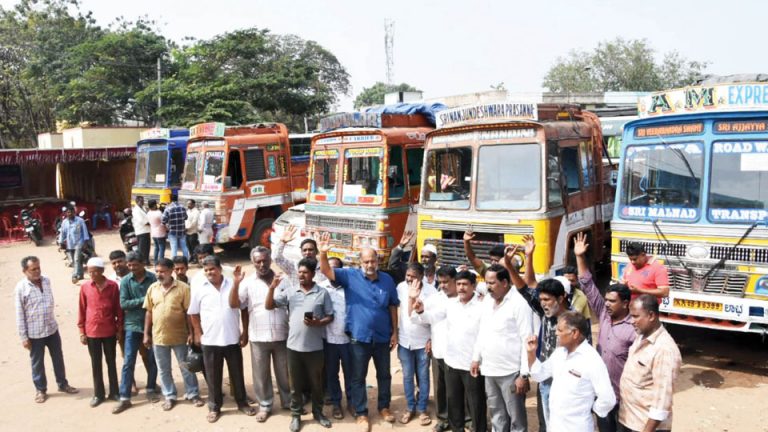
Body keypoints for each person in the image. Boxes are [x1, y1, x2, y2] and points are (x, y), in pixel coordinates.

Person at [318, 232, 399, 432]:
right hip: (358, 337)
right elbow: (327, 271)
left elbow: (392, 307)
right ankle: (362, 413)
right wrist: (322, 252)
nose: (370, 264)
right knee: (357, 377)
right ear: (360, 262)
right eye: (366, 261)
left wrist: (395, 332)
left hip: (382, 338)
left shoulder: (387, 280)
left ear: (377, 261)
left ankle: (384, 407)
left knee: (384, 375)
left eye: (373, 260)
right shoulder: (350, 276)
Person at [574, 232, 635, 432]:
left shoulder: (635, 329)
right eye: (606, 300)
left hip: (625, 399)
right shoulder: (603, 314)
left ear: (626, 303)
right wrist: (580, 256)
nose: (607, 304)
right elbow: (588, 285)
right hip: (602, 394)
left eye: (612, 301)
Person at [412, 270, 487, 432]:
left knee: (476, 404)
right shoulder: (450, 304)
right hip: (451, 363)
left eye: (465, 284)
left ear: (473, 286)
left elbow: (483, 336)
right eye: (459, 284)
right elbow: (432, 318)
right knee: (454, 404)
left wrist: (476, 359)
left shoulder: (482, 307)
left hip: (472, 364)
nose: (461, 288)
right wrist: (420, 311)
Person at [265, 258, 335, 432]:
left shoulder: (322, 293)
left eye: (305, 272)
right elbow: (269, 305)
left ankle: (318, 413)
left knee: (316, 383)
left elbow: (330, 316)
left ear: (312, 274)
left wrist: (319, 323)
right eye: (300, 272)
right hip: (293, 348)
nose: (301, 275)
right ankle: (296, 416)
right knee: (295, 385)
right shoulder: (290, 292)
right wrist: (272, 287)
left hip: (315, 348)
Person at [188, 256, 256, 423]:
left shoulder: (232, 284)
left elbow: (242, 308)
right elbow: (193, 313)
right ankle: (214, 407)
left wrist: (245, 331)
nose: (209, 272)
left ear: (219, 269)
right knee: (213, 376)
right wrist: (197, 332)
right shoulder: (200, 288)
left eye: (212, 269)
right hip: (210, 341)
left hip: (232, 339)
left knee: (237, 374)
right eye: (206, 270)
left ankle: (242, 402)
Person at [526, 311, 616, 432]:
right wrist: (531, 353)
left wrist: (589, 410)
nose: (556, 333)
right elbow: (539, 375)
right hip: (555, 426)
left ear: (574, 333)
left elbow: (607, 399)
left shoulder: (591, 360)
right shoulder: (559, 353)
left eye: (560, 330)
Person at [230, 247, 291, 422]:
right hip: (258, 335)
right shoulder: (247, 283)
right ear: (253, 263)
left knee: (284, 373)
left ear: (270, 259)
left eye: (265, 260)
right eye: (258, 261)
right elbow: (235, 304)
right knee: (261, 375)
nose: (262, 264)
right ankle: (265, 405)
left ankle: (288, 402)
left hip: (282, 335)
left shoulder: (283, 281)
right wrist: (235, 283)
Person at [470, 265, 533, 432]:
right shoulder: (488, 302)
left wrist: (524, 374)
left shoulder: (519, 304)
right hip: (490, 371)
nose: (488, 287)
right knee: (497, 416)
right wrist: (476, 358)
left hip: (511, 373)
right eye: (487, 282)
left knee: (516, 420)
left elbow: (527, 340)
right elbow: (481, 332)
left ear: (505, 282)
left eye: (492, 282)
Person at [15, 256, 79, 403]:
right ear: (24, 271)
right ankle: (40, 389)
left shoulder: (46, 281)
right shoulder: (21, 288)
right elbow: (19, 314)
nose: (37, 271)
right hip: (34, 333)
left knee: (58, 358)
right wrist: (24, 337)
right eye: (33, 269)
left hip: (51, 329)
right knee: (37, 362)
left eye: (38, 268)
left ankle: (63, 384)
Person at [143, 258, 204, 411]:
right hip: (159, 337)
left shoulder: (183, 288)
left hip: (180, 336)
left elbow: (189, 313)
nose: (159, 274)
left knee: (186, 366)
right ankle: (169, 396)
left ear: (171, 271)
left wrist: (191, 333)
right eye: (157, 271)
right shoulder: (152, 288)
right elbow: (149, 312)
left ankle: (193, 393)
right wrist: (146, 334)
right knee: (163, 369)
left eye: (162, 271)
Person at [618, 295, 682, 432]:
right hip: (629, 420)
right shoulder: (641, 336)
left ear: (651, 315)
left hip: (646, 427)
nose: (631, 321)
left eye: (636, 316)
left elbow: (662, 402)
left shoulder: (664, 349)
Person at [114, 252, 159, 414]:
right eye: (130, 265)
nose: (132, 268)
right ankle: (124, 397)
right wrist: (144, 300)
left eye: (135, 265)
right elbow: (124, 303)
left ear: (143, 264)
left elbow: (158, 299)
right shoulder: (126, 281)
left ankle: (151, 389)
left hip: (153, 325)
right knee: (128, 361)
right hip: (132, 326)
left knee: (152, 359)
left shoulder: (153, 278)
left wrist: (144, 302)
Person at [77, 257, 123, 407]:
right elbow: (82, 309)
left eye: (95, 271)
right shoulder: (85, 287)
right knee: (96, 364)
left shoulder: (113, 286)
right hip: (92, 331)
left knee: (111, 362)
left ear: (102, 271)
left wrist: (119, 328)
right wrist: (81, 331)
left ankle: (115, 392)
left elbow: (118, 308)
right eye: (90, 272)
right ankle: (98, 394)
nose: (93, 275)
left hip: (109, 330)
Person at [418, 266, 458, 432]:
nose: (443, 285)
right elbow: (423, 318)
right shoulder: (434, 299)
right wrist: (429, 338)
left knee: (459, 388)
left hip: (460, 352)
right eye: (440, 282)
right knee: (440, 387)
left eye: (446, 282)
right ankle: (442, 419)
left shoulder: (468, 297)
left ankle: (465, 419)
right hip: (439, 349)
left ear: (455, 281)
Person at [397, 263, 436, 425]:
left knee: (423, 376)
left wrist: (432, 339)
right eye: (407, 275)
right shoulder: (400, 287)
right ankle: (410, 407)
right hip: (405, 341)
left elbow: (435, 319)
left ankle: (422, 409)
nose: (408, 279)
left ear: (421, 276)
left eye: (412, 276)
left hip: (422, 342)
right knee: (407, 376)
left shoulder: (431, 292)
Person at [108, 249, 148, 395]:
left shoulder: (143, 276)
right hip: (121, 324)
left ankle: (152, 382)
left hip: (142, 321)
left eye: (120, 261)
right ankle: (131, 384)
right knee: (127, 355)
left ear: (126, 261)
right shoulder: (111, 281)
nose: (117, 265)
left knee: (146, 354)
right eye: (114, 263)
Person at [322, 257, 352, 420]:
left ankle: (352, 403)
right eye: (329, 268)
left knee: (350, 373)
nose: (331, 271)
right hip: (329, 341)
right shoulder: (321, 288)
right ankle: (336, 404)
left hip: (348, 341)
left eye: (335, 269)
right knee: (332, 374)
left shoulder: (349, 288)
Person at [59, 205, 90, 284]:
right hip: (70, 244)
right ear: (66, 213)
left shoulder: (80, 220)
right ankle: (81, 274)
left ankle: (74, 276)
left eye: (71, 212)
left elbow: (85, 231)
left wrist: (86, 242)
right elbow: (62, 233)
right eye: (68, 212)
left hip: (79, 242)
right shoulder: (64, 222)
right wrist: (60, 243)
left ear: (74, 212)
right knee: (73, 261)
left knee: (76, 259)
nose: (70, 214)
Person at [163, 194, 189, 259]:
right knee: (184, 246)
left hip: (172, 231)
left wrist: (167, 226)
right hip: (182, 230)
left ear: (170, 199)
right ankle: (186, 260)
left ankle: (174, 261)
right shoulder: (182, 207)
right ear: (177, 198)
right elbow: (186, 217)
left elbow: (163, 220)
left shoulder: (168, 208)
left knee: (174, 247)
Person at [133, 196, 151, 265]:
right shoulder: (136, 210)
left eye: (143, 200)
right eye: (141, 201)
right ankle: (142, 262)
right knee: (142, 248)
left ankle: (146, 261)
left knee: (147, 247)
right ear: (137, 202)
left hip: (146, 230)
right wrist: (151, 223)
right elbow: (142, 221)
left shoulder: (143, 208)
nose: (143, 202)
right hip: (141, 231)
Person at [147, 200, 166, 264]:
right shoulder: (158, 213)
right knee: (161, 248)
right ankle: (161, 262)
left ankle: (155, 261)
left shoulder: (148, 213)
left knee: (156, 248)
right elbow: (163, 222)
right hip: (160, 233)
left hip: (153, 233)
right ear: (154, 205)